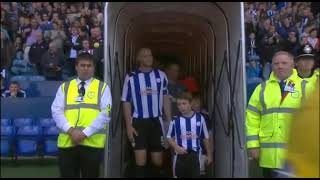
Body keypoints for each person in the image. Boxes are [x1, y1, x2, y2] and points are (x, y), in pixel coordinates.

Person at [246, 51, 307, 178]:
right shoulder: (262, 88)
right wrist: (253, 146)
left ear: (293, 65)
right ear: (271, 66)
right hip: (269, 157)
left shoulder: (305, 86)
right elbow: (252, 118)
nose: (280, 66)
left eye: (284, 63)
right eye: (276, 63)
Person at [51, 52, 112, 178]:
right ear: (76, 67)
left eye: (89, 66)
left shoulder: (102, 87)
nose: (85, 68)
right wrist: (72, 131)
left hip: (92, 143)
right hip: (68, 143)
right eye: (82, 65)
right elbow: (56, 111)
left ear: (94, 68)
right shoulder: (65, 87)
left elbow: (105, 114)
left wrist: (85, 133)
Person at [121, 48, 172, 177]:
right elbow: (126, 102)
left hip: (156, 122)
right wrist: (128, 125)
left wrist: (170, 120)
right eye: (145, 56)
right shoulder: (131, 77)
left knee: (157, 161)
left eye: (150, 55)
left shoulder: (161, 75)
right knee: (141, 161)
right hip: (139, 122)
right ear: (139, 59)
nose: (149, 58)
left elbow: (165, 98)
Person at [167, 92, 212, 178]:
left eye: (184, 103)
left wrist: (209, 155)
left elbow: (205, 138)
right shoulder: (175, 120)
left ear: (190, 103)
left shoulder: (200, 118)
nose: (181, 107)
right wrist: (176, 147)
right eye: (179, 104)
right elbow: (169, 137)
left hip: (196, 155)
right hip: (180, 156)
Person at [191, 93, 213, 177]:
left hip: (202, 151)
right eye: (193, 101)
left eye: (198, 102)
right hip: (189, 152)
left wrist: (210, 152)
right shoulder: (184, 116)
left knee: (200, 173)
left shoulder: (205, 117)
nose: (195, 104)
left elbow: (209, 135)